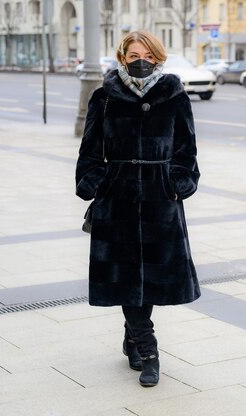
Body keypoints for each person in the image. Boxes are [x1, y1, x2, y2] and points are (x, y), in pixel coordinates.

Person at [75, 30, 200, 387]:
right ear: (122, 58)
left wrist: (179, 181)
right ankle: (148, 351)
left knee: (152, 278)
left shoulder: (173, 95)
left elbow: (186, 148)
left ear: (158, 57)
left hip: (160, 199)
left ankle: (132, 336)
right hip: (118, 197)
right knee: (127, 275)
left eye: (146, 54)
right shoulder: (105, 97)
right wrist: (95, 181)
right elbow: (89, 149)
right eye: (132, 55)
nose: (139, 60)